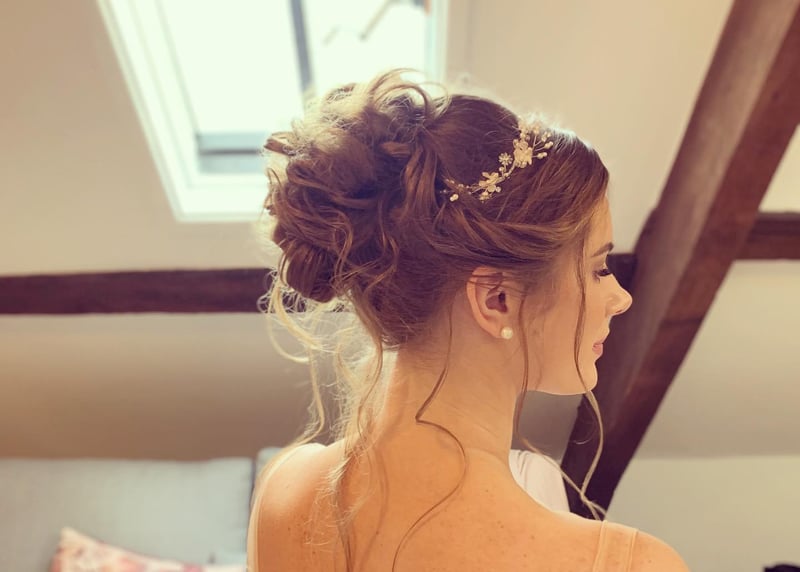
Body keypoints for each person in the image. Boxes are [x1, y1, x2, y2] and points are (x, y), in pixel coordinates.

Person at [246, 69, 690, 571]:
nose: (621, 299)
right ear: (496, 299)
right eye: (597, 268)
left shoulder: (283, 488)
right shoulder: (627, 564)